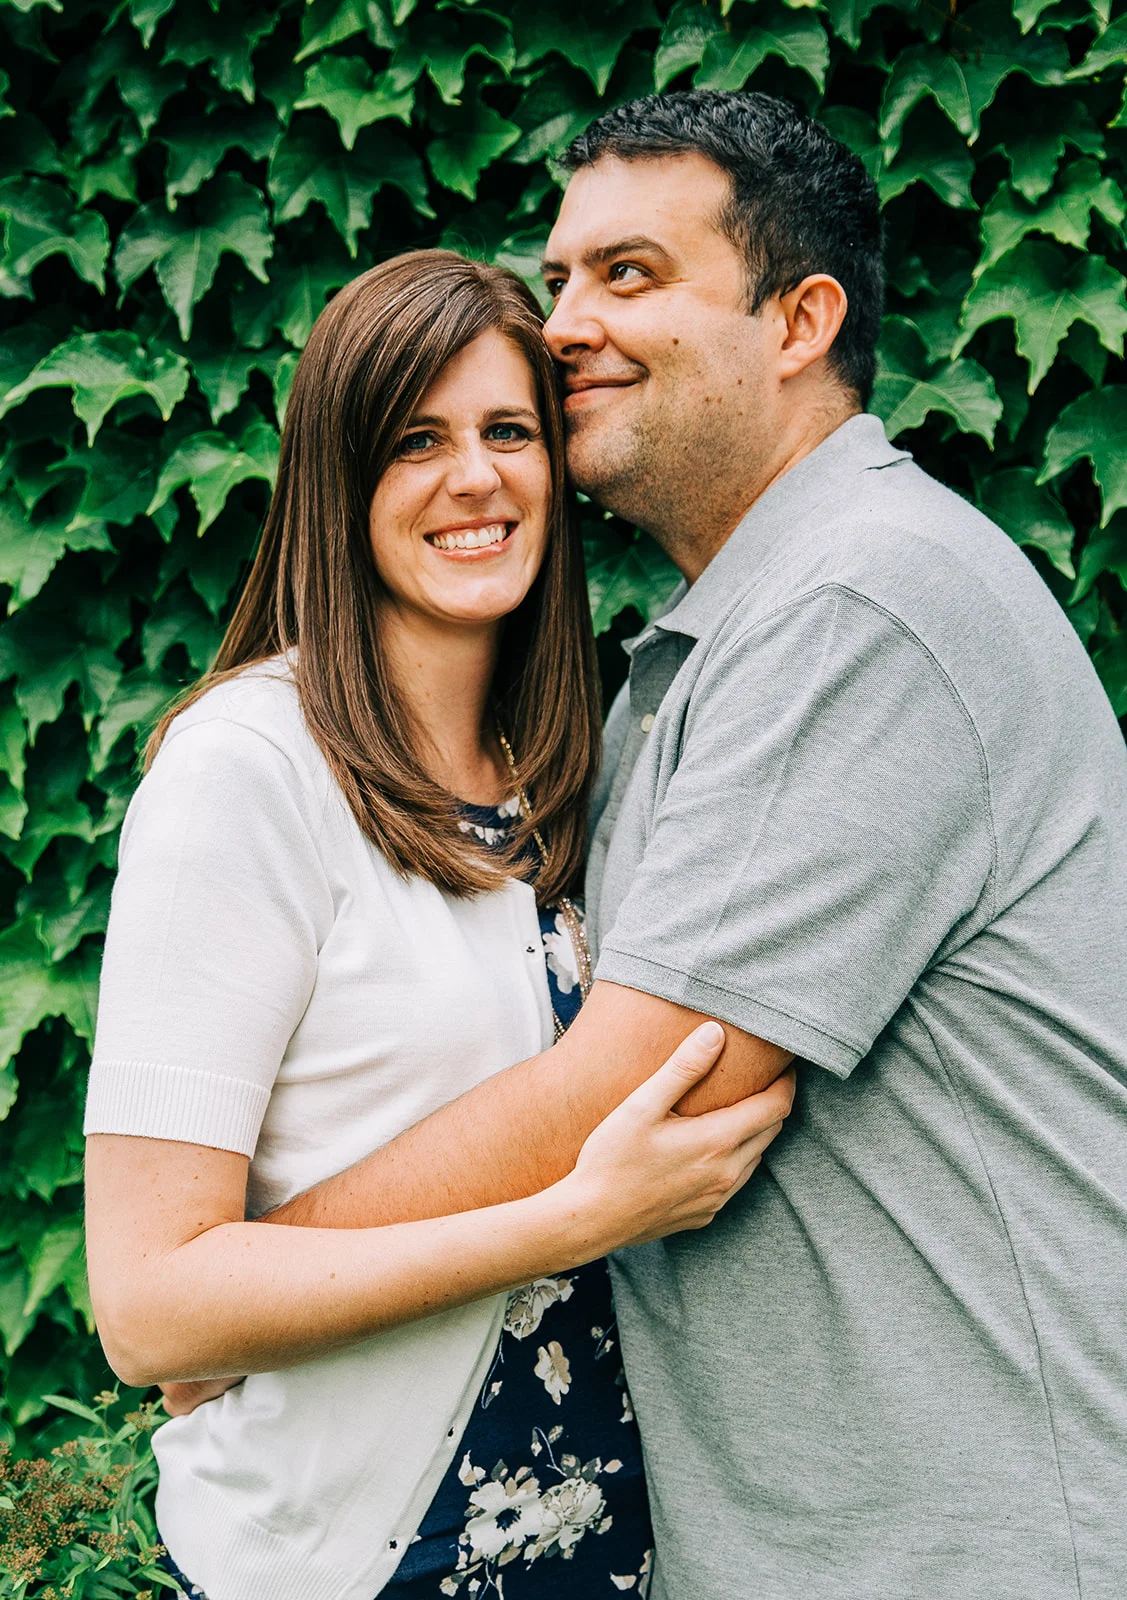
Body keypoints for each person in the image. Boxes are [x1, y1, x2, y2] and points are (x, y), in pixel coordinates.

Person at [164, 91, 1127, 1598]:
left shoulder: (858, 605)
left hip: (965, 1542)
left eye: (628, 274)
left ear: (800, 321)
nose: (564, 326)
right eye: (559, 278)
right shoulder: (694, 652)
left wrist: (235, 1295)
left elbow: (643, 1078)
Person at [82, 248, 796, 1600]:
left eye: (509, 431)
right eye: (416, 440)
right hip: (355, 1563)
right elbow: (150, 1311)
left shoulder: (571, 769)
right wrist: (571, 1219)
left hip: (602, 1554)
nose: (476, 477)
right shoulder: (250, 771)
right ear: (337, 479)